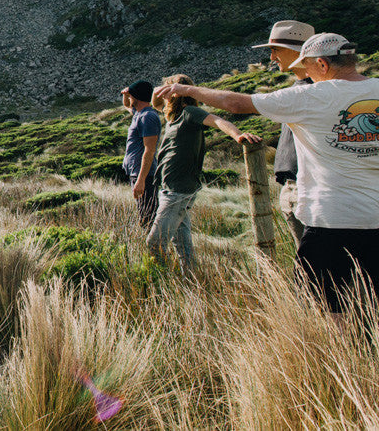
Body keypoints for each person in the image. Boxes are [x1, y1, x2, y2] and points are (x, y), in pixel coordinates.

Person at [153, 34, 379, 314]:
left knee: (329, 310)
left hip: (331, 219)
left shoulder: (311, 96)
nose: (305, 74)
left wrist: (190, 91)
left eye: (306, 67)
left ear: (321, 63)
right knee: (370, 307)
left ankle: (346, 358)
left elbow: (237, 104)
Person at [147, 74, 262, 271]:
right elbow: (155, 102)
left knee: (154, 243)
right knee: (183, 247)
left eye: (169, 90)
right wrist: (162, 89)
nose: (165, 95)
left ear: (178, 93)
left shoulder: (190, 113)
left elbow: (217, 121)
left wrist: (237, 135)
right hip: (168, 188)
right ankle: (191, 283)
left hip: (178, 191)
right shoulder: (172, 116)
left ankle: (165, 283)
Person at [251, 20, 315, 244]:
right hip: (292, 188)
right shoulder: (300, 90)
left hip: (306, 189)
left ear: (296, 52)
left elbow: (240, 104)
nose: (271, 58)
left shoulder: (314, 92)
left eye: (275, 50)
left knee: (314, 266)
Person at [121, 80, 161, 228]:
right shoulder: (139, 113)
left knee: (148, 215)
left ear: (136, 97)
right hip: (136, 171)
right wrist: (126, 95)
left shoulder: (148, 117)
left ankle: (154, 248)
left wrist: (141, 180)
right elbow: (126, 105)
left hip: (144, 174)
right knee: (143, 212)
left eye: (131, 95)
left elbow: (149, 150)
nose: (129, 98)